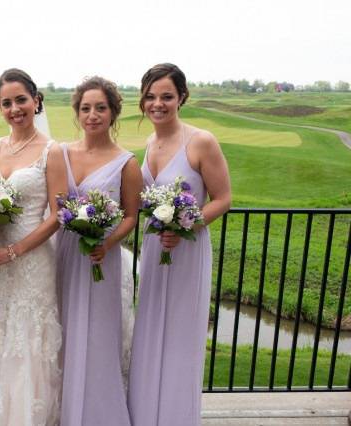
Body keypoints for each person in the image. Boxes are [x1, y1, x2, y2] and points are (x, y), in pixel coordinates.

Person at [128, 63, 231, 426]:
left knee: (180, 338)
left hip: (186, 249)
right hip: (156, 248)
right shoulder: (149, 142)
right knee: (150, 327)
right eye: (151, 97)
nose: (158, 104)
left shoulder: (201, 140)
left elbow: (222, 198)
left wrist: (185, 223)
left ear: (182, 97)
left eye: (167, 96)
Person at [0, 68, 67, 426]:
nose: (15, 108)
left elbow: (56, 216)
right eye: (6, 103)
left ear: (36, 100)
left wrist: (13, 252)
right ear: (0, 107)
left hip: (31, 260)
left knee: (27, 342)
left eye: (21, 100)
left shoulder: (52, 151)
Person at [56, 76, 141, 426]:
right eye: (86, 108)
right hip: (65, 254)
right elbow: (55, 206)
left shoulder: (127, 163)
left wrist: (106, 243)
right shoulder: (61, 153)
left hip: (101, 259)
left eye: (100, 108)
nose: (93, 115)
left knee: (98, 335)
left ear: (113, 112)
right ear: (77, 113)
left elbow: (131, 215)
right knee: (62, 328)